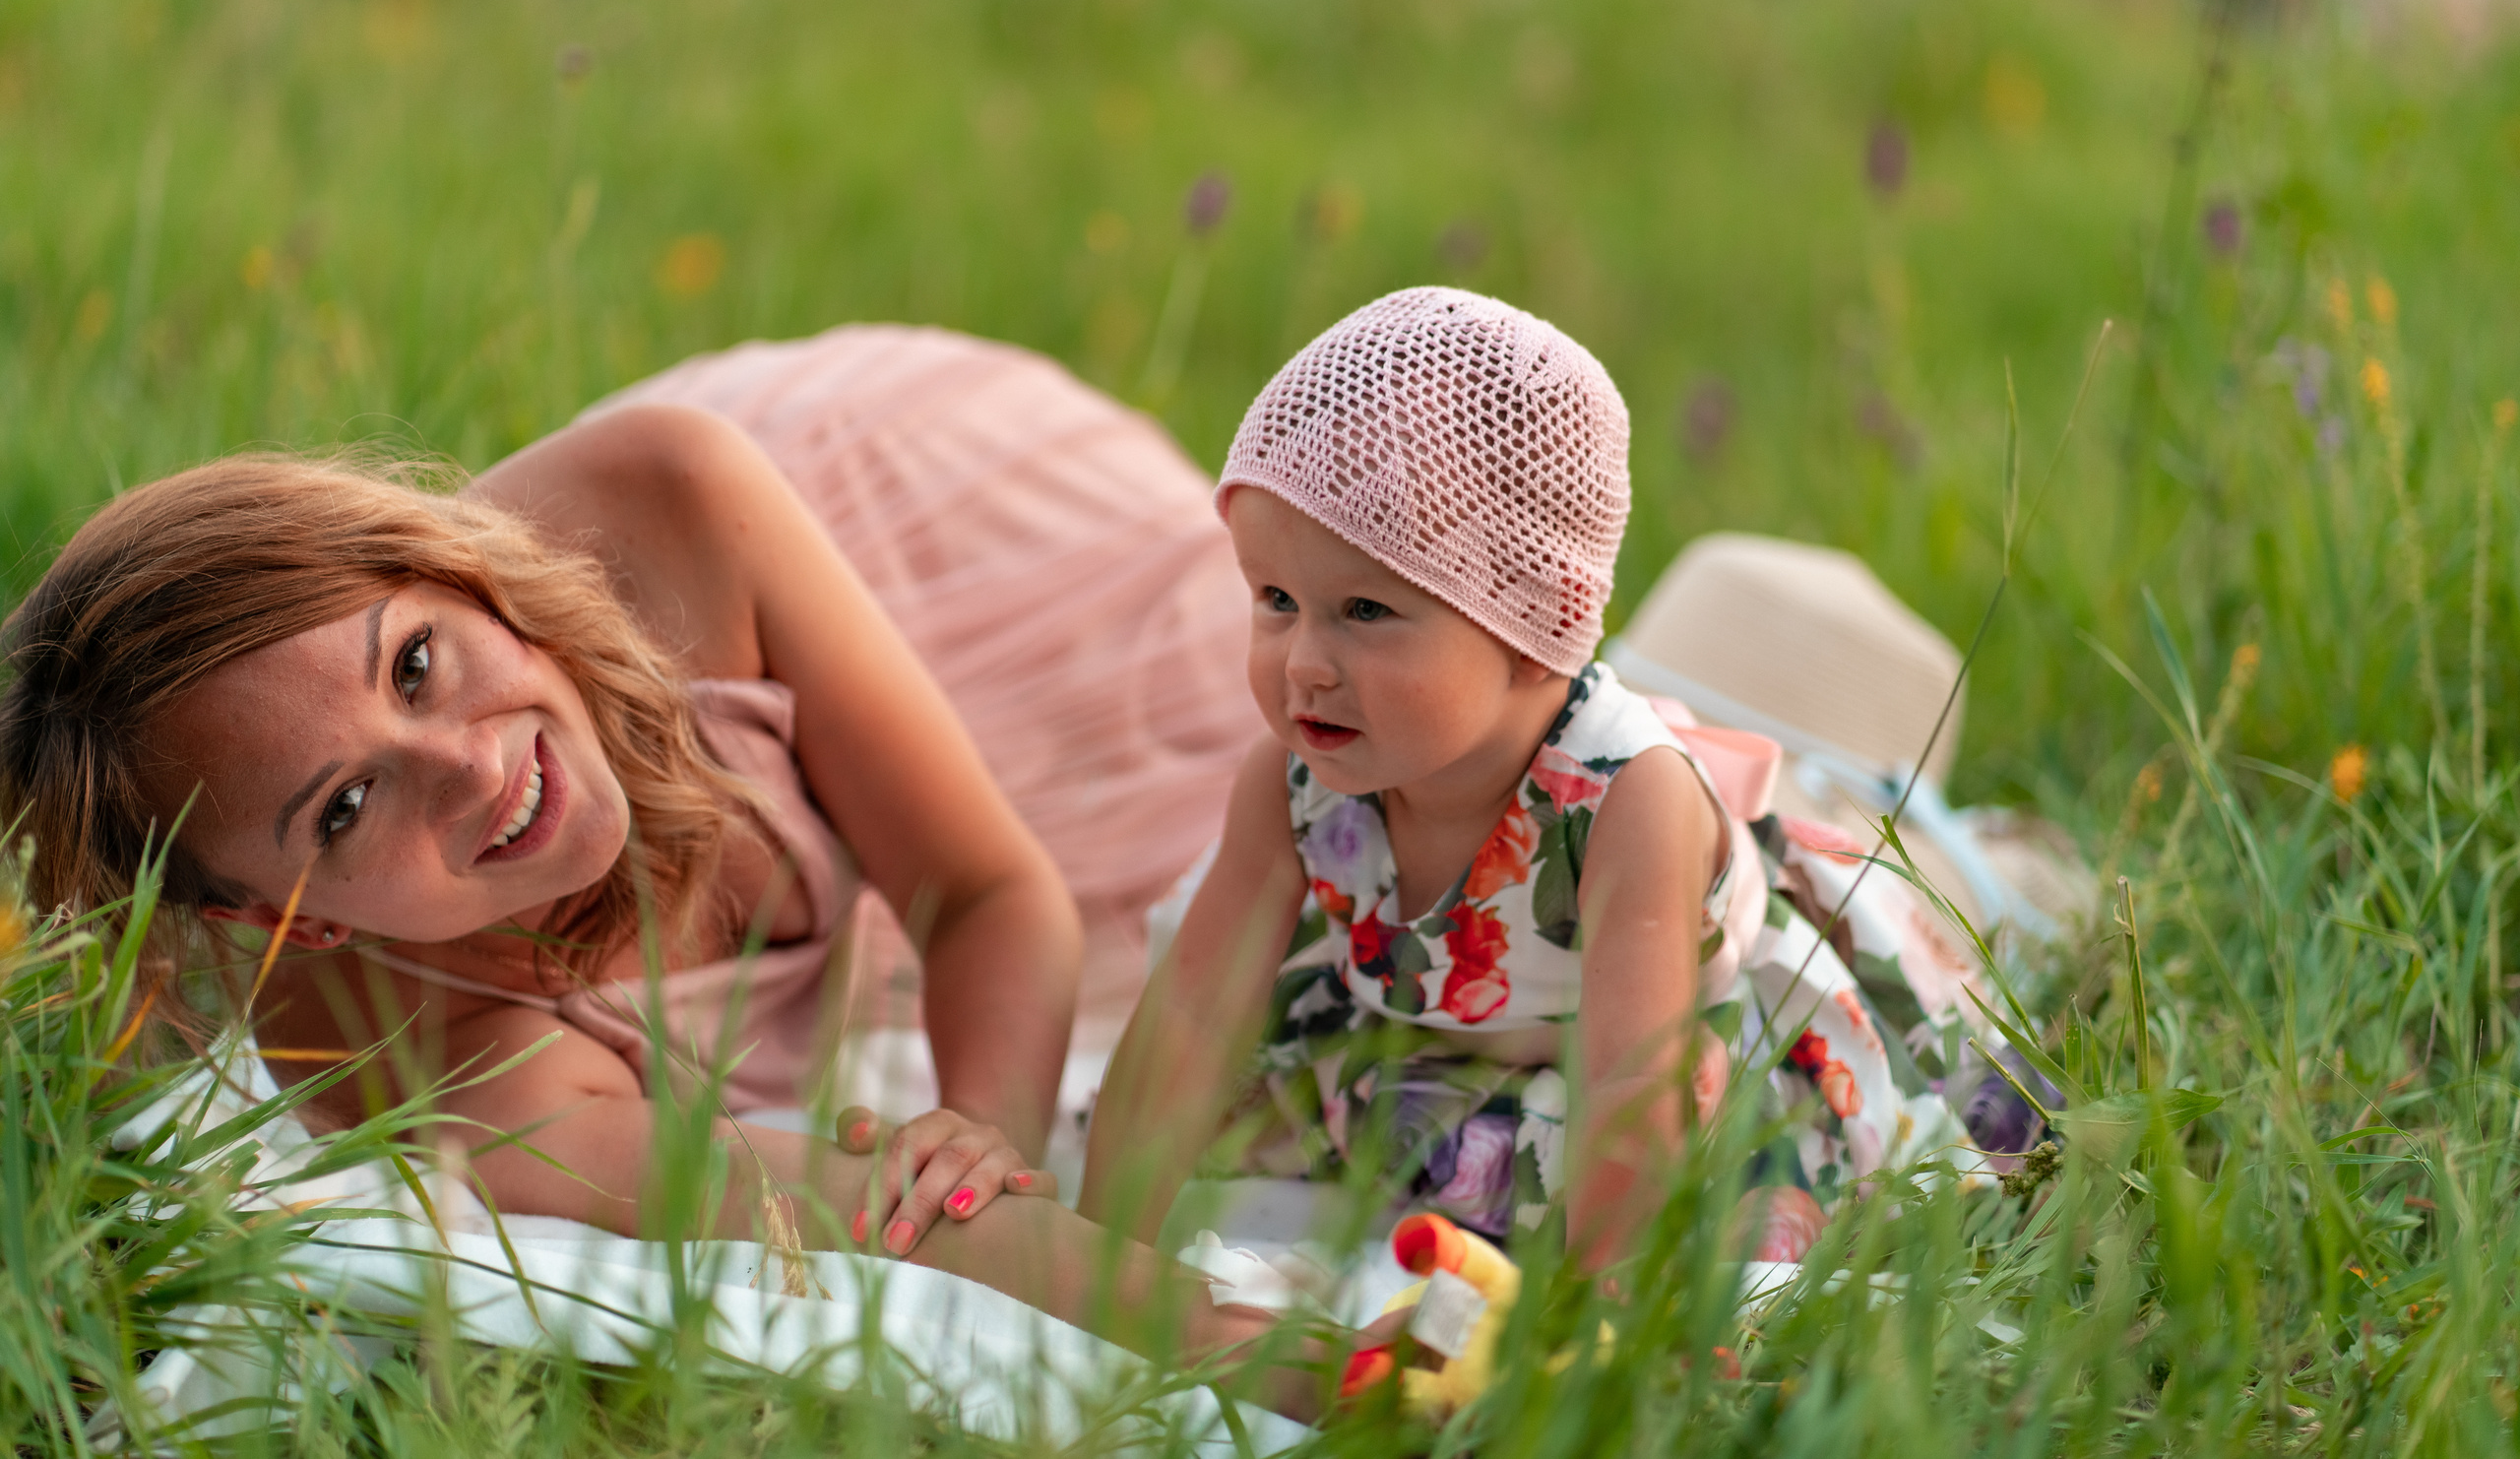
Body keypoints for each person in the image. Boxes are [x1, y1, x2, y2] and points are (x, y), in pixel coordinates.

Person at [0, 325, 1310, 1392]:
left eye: (414, 661)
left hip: (918, 519)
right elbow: (912, 1224)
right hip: (873, 722)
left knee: (1328, 700)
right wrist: (1320, 1368)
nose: (466, 764)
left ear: (453, 573)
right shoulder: (476, 1090)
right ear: (302, 921)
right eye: (345, 808)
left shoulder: (674, 494)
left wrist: (982, 1131)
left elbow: (981, 888)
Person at [1081, 287, 1993, 1269]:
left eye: (1364, 610)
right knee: (1219, 1125)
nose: (1304, 661)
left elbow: (1630, 1090)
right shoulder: (1293, 778)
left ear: (1537, 628)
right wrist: (1093, 1245)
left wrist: (1595, 1327)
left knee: (1728, 1239)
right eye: (1274, 598)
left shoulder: (1624, 798)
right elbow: (1191, 1012)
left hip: (1652, 1083)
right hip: (1426, 1066)